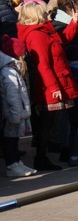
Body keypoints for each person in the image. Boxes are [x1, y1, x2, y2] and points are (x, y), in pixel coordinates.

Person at [16, 2, 78, 171]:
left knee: (49, 122)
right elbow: (42, 65)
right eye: (43, 13)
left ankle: (42, 157)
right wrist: (53, 87)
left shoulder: (44, 30)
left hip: (55, 80)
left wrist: (73, 24)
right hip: (49, 84)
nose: (47, 15)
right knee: (46, 123)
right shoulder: (36, 35)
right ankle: (41, 158)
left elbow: (61, 41)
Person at [0, 36, 36, 177]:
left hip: (15, 112)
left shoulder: (13, 68)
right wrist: (16, 114)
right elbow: (11, 96)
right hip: (12, 113)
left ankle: (17, 162)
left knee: (15, 140)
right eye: (23, 53)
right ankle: (12, 165)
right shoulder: (8, 71)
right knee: (10, 141)